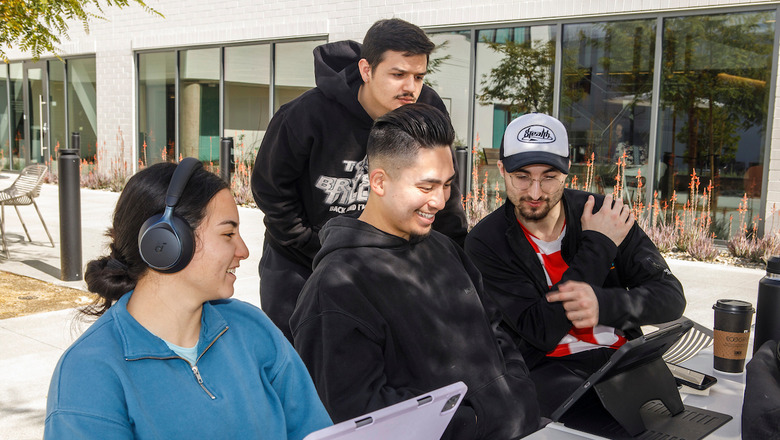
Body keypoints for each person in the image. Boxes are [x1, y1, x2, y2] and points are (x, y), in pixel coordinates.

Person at [291, 104, 540, 440]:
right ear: (379, 181)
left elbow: (495, 331)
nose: (439, 200)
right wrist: (476, 423)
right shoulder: (335, 287)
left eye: (447, 184)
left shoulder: (444, 247)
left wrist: (517, 395)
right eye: (426, 187)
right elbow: (355, 414)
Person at [44, 159, 332, 439]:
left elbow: (317, 433)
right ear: (166, 243)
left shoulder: (253, 329)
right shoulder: (88, 373)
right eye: (228, 233)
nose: (243, 250)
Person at [252, 18, 468, 341]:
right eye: (398, 75)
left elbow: (441, 186)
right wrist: (313, 246)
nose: (410, 87)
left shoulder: (426, 109)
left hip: (385, 261)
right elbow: (270, 190)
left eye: (419, 76)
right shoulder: (306, 115)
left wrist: (455, 257)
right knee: (295, 363)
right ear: (366, 70)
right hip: (299, 264)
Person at [465, 113, 686, 417]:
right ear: (501, 170)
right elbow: (540, 330)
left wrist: (604, 304)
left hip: (624, 365)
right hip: (548, 374)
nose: (535, 192)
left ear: (567, 172)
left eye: (549, 176)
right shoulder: (487, 242)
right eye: (522, 176)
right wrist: (599, 246)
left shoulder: (604, 214)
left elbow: (671, 297)